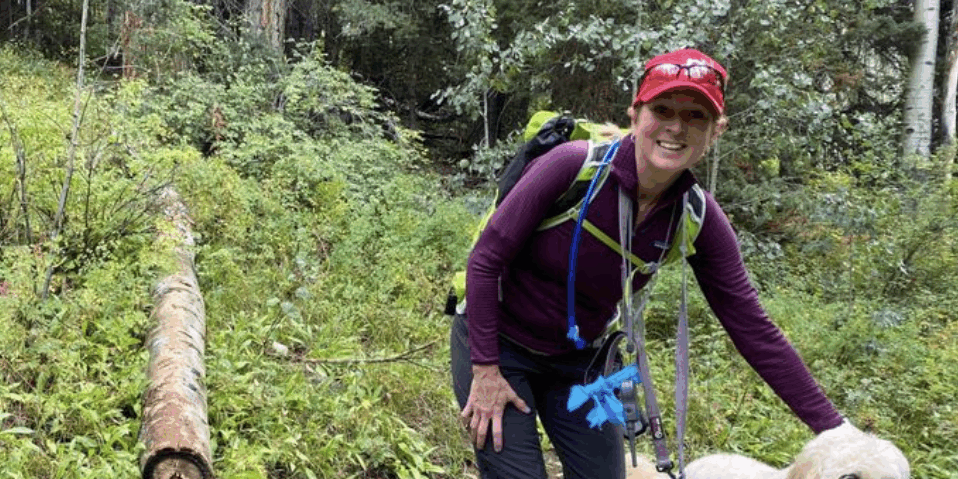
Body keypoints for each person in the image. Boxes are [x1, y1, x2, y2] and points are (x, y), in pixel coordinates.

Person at [449, 48, 844, 479]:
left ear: (716, 131)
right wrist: (484, 370)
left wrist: (837, 432)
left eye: (696, 116)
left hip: (583, 365)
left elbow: (751, 326)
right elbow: (485, 262)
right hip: (498, 345)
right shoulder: (571, 167)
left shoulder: (697, 216)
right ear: (635, 115)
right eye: (662, 109)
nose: (676, 127)